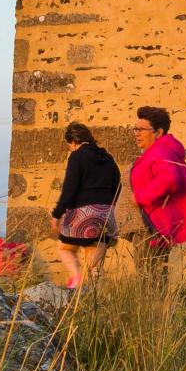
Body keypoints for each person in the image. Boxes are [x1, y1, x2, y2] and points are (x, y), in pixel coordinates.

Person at [126, 105, 186, 281]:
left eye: (141, 129)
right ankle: (157, 307)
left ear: (158, 132)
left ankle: (153, 308)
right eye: (135, 129)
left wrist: (141, 196)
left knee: (149, 277)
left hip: (153, 226)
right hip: (153, 223)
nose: (136, 133)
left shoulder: (161, 151)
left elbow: (170, 179)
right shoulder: (158, 151)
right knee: (154, 275)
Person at [49, 122, 121, 289]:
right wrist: (108, 206)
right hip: (106, 214)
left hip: (84, 212)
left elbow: (70, 188)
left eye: (69, 146)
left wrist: (57, 214)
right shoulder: (108, 158)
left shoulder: (77, 156)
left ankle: (76, 279)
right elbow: (118, 185)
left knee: (65, 247)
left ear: (73, 142)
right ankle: (98, 294)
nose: (71, 149)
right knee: (95, 258)